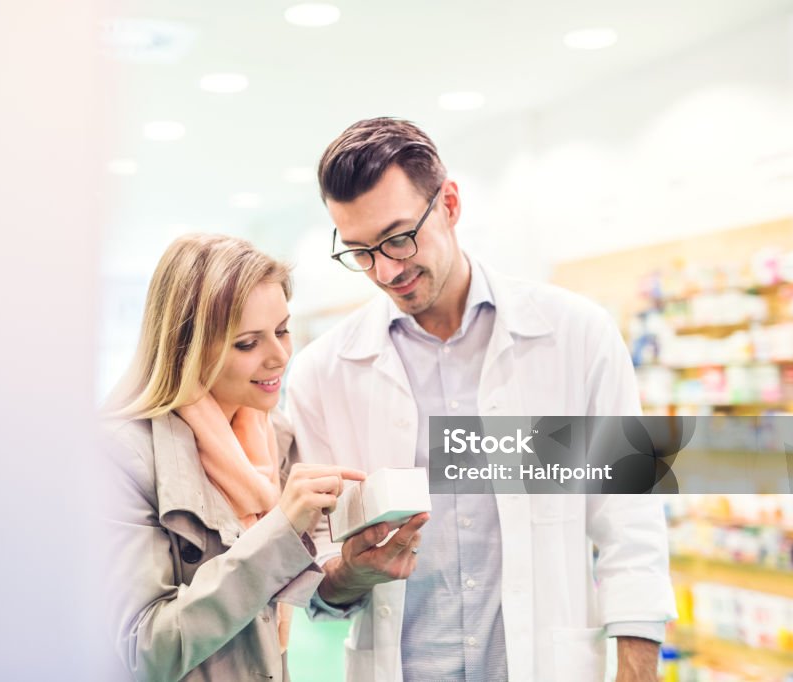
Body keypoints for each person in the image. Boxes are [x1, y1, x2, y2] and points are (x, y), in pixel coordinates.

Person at [285, 118, 677, 682]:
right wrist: (354, 570)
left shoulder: (575, 336)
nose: (387, 269)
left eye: (399, 237)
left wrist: (636, 672)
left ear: (448, 203)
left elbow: (630, 524)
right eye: (360, 252)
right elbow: (319, 591)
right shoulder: (323, 375)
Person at [100, 233, 364, 681]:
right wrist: (280, 530)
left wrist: (359, 570)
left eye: (282, 330)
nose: (280, 356)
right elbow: (143, 651)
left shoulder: (274, 436)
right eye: (247, 344)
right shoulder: (122, 455)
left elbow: (296, 598)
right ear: (187, 348)